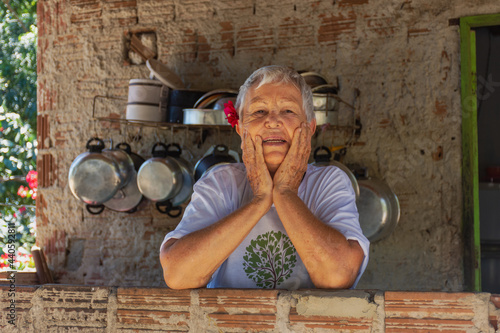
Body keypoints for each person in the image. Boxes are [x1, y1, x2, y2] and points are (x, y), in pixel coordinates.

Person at [159, 65, 369, 290]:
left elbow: (338, 276)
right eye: (259, 111)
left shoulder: (329, 182)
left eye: (288, 111)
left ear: (309, 128)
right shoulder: (221, 182)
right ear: (240, 128)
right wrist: (260, 200)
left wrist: (285, 192)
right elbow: (179, 275)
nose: (273, 121)